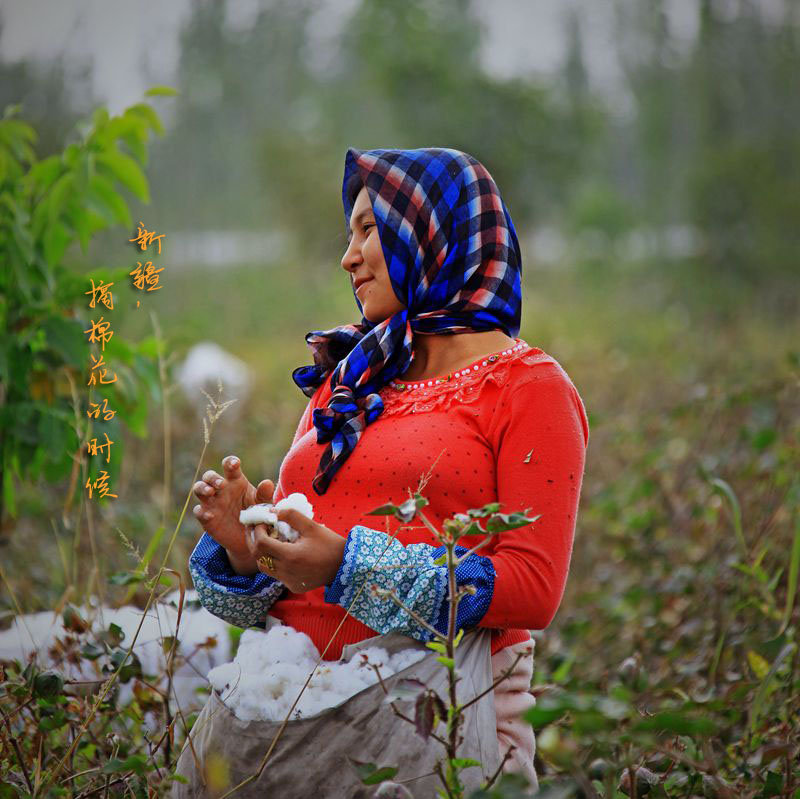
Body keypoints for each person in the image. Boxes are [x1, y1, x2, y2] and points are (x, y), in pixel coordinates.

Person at [188, 147, 590, 788]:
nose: (348, 257)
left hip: (428, 724)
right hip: (279, 721)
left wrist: (347, 565)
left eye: (368, 230)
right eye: (349, 235)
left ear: (433, 232)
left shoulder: (529, 386)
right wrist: (248, 552)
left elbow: (533, 587)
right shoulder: (350, 381)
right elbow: (290, 579)